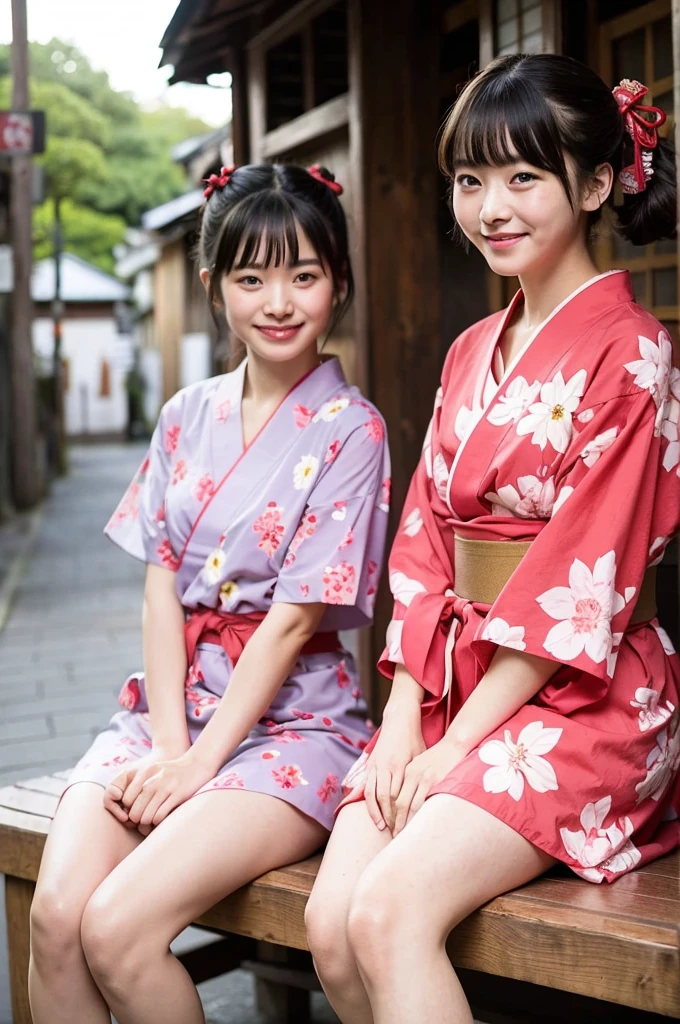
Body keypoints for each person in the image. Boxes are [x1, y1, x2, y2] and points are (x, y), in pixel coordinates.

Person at [306, 54, 680, 1024]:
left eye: (522, 176)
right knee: (328, 922)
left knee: (386, 914)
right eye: (470, 180)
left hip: (579, 701)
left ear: (595, 183)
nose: (489, 207)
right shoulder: (474, 348)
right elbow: (425, 546)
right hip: (451, 683)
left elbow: (578, 580)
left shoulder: (633, 352)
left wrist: (453, 745)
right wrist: (400, 727)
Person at [28, 162, 390, 1024]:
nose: (278, 300)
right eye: (251, 276)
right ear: (212, 286)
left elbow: (293, 619)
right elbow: (162, 589)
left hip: (292, 723)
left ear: (338, 284)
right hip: (172, 707)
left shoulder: (353, 429)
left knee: (116, 929)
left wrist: (197, 765)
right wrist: (167, 744)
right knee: (54, 920)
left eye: (305, 275)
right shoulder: (185, 413)